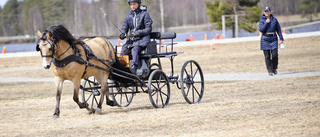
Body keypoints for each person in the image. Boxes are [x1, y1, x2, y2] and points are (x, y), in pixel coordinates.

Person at [119, 0, 153, 74]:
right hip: (132, 41)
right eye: (131, 4)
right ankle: (122, 68)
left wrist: (138, 33)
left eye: (134, 4)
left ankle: (134, 67)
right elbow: (125, 26)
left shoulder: (145, 14)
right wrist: (123, 33)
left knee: (134, 50)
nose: (132, 6)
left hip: (142, 40)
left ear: (138, 4)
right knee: (123, 51)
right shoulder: (128, 15)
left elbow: (148, 29)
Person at [259, 6, 284, 76]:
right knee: (267, 56)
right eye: (265, 11)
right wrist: (266, 23)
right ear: (264, 13)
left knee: (275, 54)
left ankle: (274, 68)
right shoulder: (262, 20)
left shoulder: (274, 20)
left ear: (270, 12)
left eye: (268, 11)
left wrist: (281, 38)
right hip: (265, 39)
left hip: (273, 39)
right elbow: (261, 30)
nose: (267, 12)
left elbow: (278, 29)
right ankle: (269, 70)